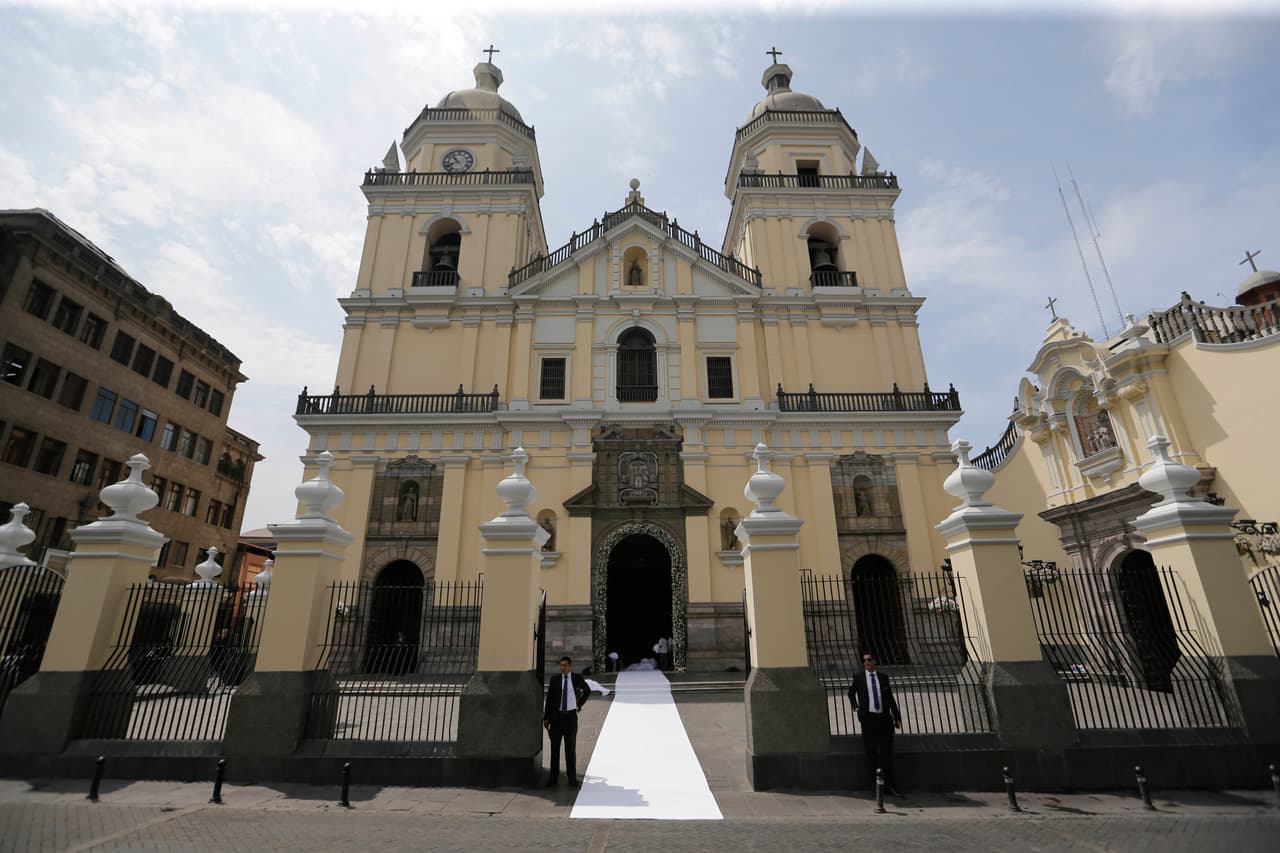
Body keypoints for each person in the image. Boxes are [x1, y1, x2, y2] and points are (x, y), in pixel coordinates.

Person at [847, 651, 903, 797]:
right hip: (868, 720)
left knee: (886, 754)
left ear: (875, 662)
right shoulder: (858, 678)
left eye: (869, 660)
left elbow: (890, 698)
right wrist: (857, 708)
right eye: (864, 660)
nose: (866, 662)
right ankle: (874, 787)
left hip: (884, 719)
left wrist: (896, 717)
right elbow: (850, 693)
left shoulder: (883, 678)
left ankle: (889, 785)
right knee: (871, 754)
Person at [543, 655, 590, 788]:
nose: (562, 668)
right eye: (561, 665)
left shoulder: (576, 678)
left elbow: (587, 691)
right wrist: (546, 718)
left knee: (570, 749)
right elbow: (550, 700)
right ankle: (553, 778)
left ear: (570, 666)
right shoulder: (555, 680)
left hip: (570, 718)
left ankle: (572, 778)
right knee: (554, 750)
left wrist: (579, 705)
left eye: (565, 665)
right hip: (556, 719)